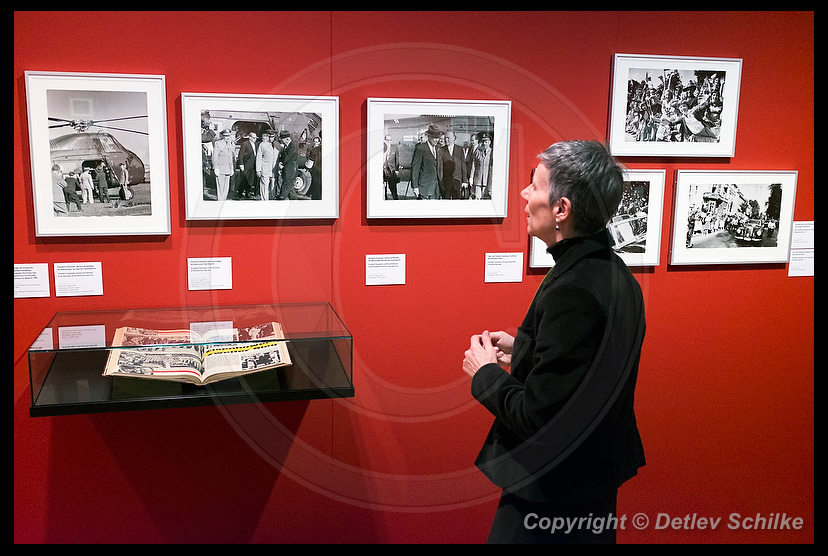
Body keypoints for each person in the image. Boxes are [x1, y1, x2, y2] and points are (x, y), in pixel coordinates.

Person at [462, 140, 646, 544]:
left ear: (561, 210)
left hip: (551, 495)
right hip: (590, 485)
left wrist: (486, 374)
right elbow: (586, 375)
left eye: (535, 186)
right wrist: (526, 348)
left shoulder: (574, 291)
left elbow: (541, 418)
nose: (525, 195)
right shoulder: (616, 275)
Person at [410, 124, 442, 199]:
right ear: (429, 137)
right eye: (434, 138)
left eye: (437, 138)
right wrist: (415, 186)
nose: (436, 140)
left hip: (436, 188)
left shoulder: (438, 148)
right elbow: (415, 168)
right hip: (424, 188)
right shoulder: (421, 148)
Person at [438, 130, 467, 199]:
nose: (446, 139)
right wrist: (441, 181)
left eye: (448, 138)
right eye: (445, 138)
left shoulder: (460, 149)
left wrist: (464, 181)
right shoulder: (441, 150)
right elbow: (440, 167)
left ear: (454, 138)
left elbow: (463, 166)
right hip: (446, 182)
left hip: (457, 181)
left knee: (456, 202)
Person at [212, 129, 236, 201]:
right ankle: (220, 201)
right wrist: (215, 167)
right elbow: (215, 157)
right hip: (220, 168)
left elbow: (230, 158)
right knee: (220, 187)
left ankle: (223, 200)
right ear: (222, 136)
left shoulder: (230, 144)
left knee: (226, 187)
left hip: (228, 169)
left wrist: (232, 168)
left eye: (228, 136)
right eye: (225, 136)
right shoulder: (219, 144)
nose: (227, 137)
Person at [277, 130, 298, 200]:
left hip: (290, 171)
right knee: (290, 190)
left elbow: (288, 157)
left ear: (287, 139)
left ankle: (281, 199)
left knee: (285, 187)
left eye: (282, 140)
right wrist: (280, 161)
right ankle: (295, 203)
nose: (282, 141)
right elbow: (283, 156)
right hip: (287, 171)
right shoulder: (287, 146)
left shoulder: (293, 146)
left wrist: (282, 164)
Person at [256, 130, 276, 200]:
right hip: (265, 168)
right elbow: (259, 157)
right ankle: (264, 201)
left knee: (273, 187)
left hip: (274, 170)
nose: (271, 138)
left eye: (272, 137)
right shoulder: (263, 144)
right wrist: (258, 170)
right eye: (269, 136)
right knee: (264, 186)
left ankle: (271, 200)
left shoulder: (277, 145)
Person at [237, 132, 258, 198]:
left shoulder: (256, 144)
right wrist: (241, 164)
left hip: (253, 165)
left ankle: (247, 193)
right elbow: (241, 155)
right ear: (250, 137)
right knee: (243, 180)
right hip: (246, 165)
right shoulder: (245, 144)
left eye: (256, 138)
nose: (255, 139)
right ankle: (240, 193)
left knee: (250, 180)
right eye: (254, 138)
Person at [383, 134, 400, 200]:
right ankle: (385, 199)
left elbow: (397, 159)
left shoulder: (394, 147)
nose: (388, 141)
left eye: (390, 140)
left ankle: (395, 199)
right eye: (387, 140)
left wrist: (397, 170)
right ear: (385, 140)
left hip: (391, 171)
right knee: (384, 187)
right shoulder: (382, 148)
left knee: (393, 187)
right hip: (384, 170)